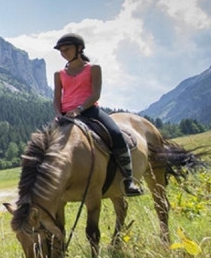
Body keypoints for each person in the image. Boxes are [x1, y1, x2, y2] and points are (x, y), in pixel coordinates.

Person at [52, 32, 143, 196]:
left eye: (67, 48)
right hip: (65, 115)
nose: (63, 52)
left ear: (79, 48)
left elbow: (95, 94)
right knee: (43, 144)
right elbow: (56, 98)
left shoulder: (93, 68)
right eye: (61, 50)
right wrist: (59, 113)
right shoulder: (59, 74)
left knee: (116, 134)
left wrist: (79, 109)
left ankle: (128, 180)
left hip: (89, 111)